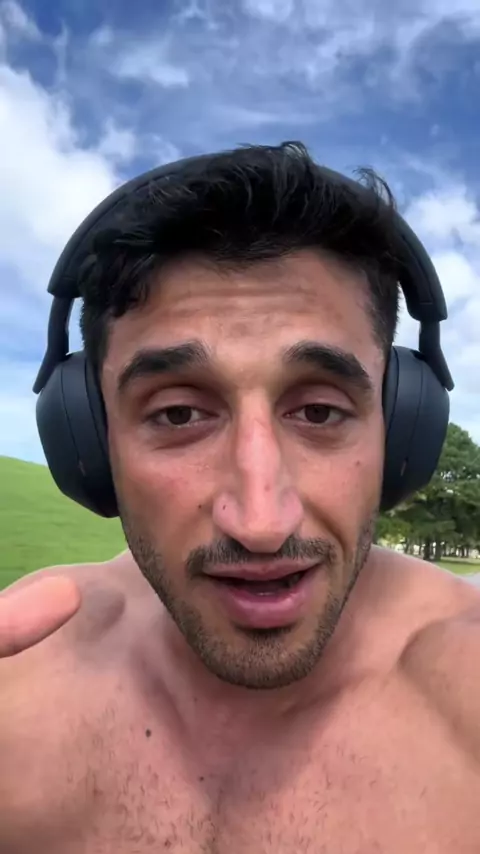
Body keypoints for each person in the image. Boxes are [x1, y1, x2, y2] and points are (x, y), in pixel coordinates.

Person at [1, 142, 479, 853]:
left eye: (318, 411)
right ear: (92, 445)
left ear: (400, 429)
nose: (260, 522)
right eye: (177, 414)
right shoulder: (20, 668)